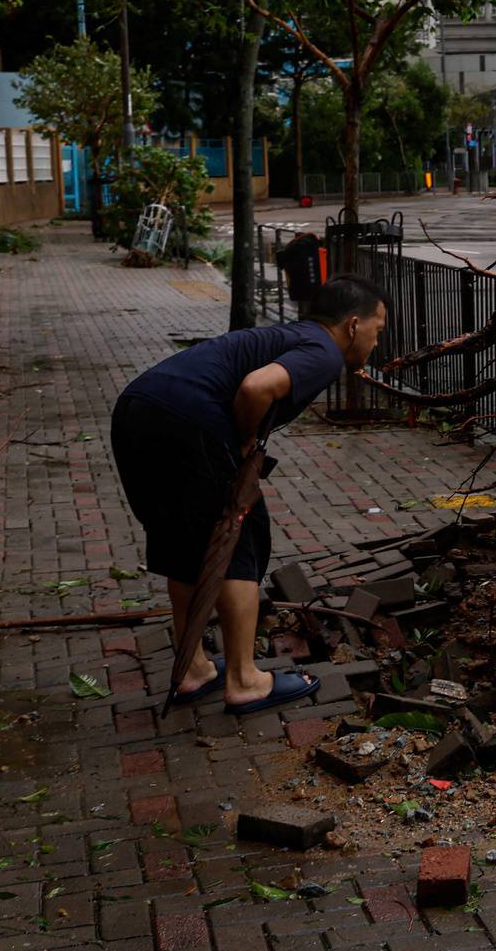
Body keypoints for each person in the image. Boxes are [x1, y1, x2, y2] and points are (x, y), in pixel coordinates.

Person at [110, 276, 389, 714]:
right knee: (239, 535)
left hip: (138, 407)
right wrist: (243, 445)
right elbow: (257, 388)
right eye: (378, 330)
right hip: (188, 418)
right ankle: (244, 680)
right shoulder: (323, 350)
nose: (376, 342)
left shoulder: (290, 335)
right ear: (353, 325)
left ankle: (193, 670)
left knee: (184, 544)